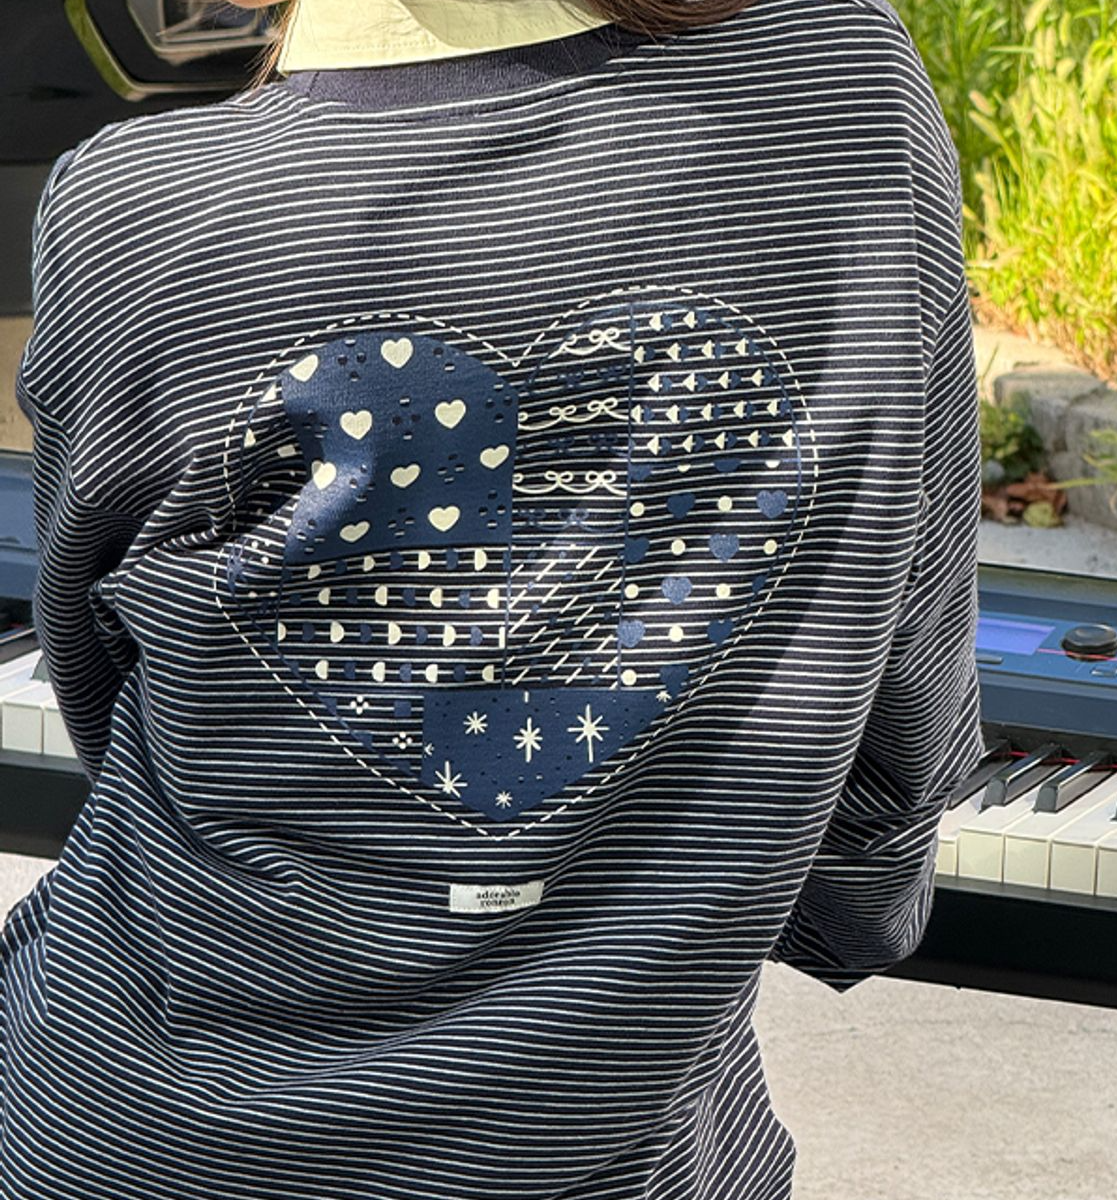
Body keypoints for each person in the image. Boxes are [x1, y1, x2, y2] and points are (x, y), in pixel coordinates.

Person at [4, 0, 983, 1193]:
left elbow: (105, 683)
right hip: (632, 1144)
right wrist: (761, 912)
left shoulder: (130, 206)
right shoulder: (840, 82)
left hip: (137, 1127)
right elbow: (903, 672)